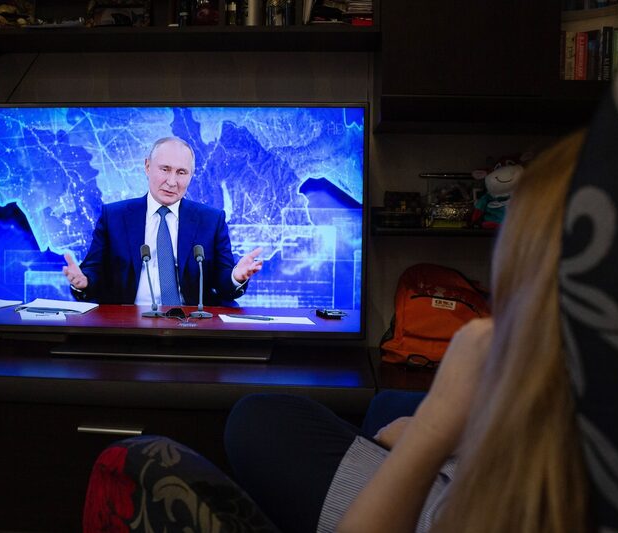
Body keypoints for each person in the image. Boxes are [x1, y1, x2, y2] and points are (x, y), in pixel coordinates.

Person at [224, 128, 589, 533]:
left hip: (448, 503)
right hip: (487, 453)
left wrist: (428, 434)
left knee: (254, 418)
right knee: (386, 407)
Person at [62, 136, 263, 305]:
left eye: (181, 172)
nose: (172, 181)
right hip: (127, 324)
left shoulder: (211, 220)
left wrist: (235, 277)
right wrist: (83, 281)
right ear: (147, 166)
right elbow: (93, 270)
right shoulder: (114, 216)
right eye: (165, 169)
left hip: (191, 325)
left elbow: (223, 284)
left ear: (191, 176)